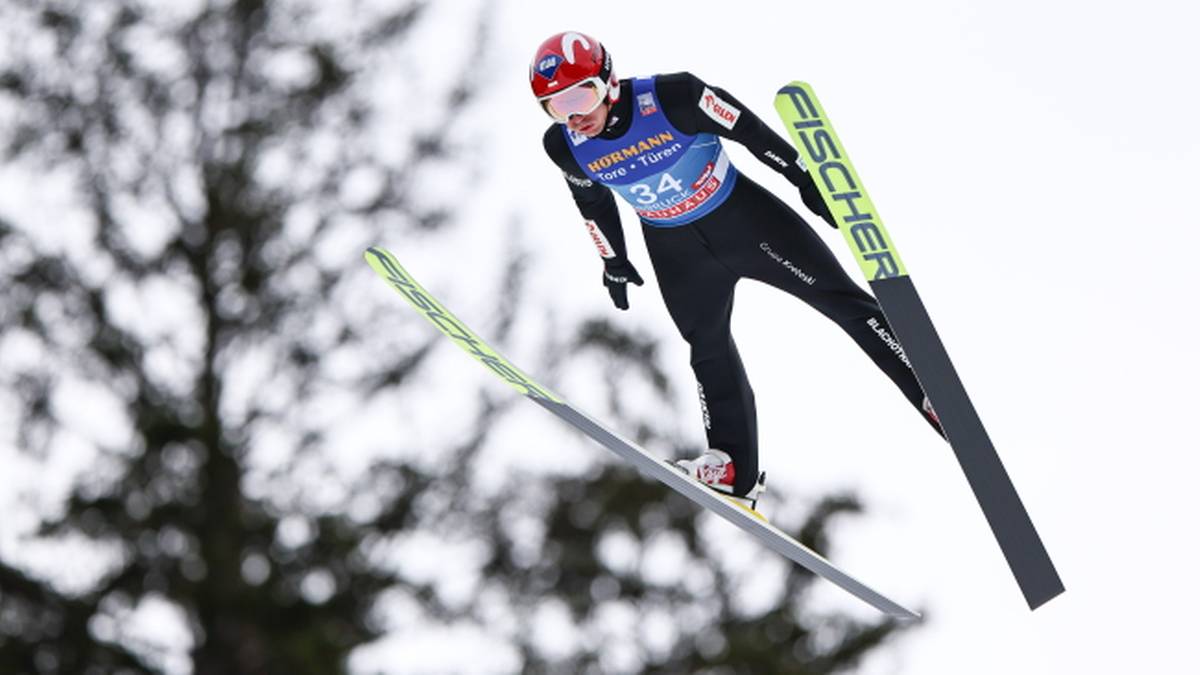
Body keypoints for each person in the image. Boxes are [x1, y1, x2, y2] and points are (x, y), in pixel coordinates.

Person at [531, 31, 942, 504]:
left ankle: (929, 390)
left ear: (609, 81)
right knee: (706, 348)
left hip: (746, 222)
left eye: (581, 95)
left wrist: (801, 176)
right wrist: (613, 259)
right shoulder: (565, 145)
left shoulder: (673, 96)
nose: (575, 115)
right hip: (675, 252)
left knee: (840, 300)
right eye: (556, 106)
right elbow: (591, 201)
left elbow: (747, 129)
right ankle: (733, 467)